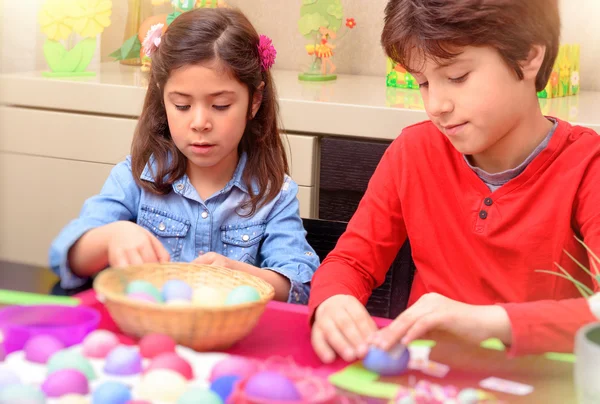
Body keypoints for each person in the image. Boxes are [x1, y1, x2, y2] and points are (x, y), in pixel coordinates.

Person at [309, 0, 600, 363]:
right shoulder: (412, 151)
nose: (436, 105)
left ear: (528, 57)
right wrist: (334, 299)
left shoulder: (588, 166)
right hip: (427, 378)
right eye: (423, 83)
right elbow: (351, 262)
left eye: (457, 77)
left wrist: (491, 322)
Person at [49, 7, 318, 304]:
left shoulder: (273, 195)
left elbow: (300, 284)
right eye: (181, 105)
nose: (200, 122)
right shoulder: (135, 178)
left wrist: (240, 274)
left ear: (254, 102)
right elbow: (65, 256)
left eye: (220, 106)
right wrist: (112, 235)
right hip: (145, 335)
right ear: (163, 98)